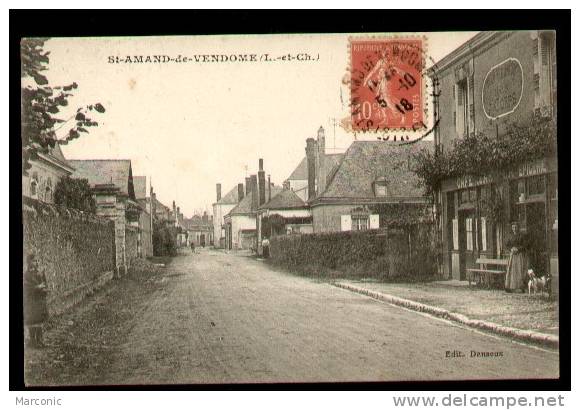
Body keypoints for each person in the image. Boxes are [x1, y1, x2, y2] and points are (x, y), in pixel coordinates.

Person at [23, 253, 48, 348]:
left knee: (39, 320)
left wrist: (44, 288)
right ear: (29, 262)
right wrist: (37, 287)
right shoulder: (26, 275)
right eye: (34, 261)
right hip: (31, 301)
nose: (36, 262)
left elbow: (45, 283)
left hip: (39, 299)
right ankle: (33, 341)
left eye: (37, 261)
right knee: (32, 320)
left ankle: (40, 340)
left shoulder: (39, 273)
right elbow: (26, 288)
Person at [504, 222, 530, 293]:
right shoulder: (510, 236)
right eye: (513, 227)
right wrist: (511, 249)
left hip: (519, 255)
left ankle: (521, 287)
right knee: (511, 271)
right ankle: (510, 287)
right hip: (512, 256)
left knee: (519, 270)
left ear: (518, 228)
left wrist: (518, 249)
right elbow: (507, 245)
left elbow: (525, 245)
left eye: (515, 227)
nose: (514, 229)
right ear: (512, 228)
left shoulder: (521, 236)